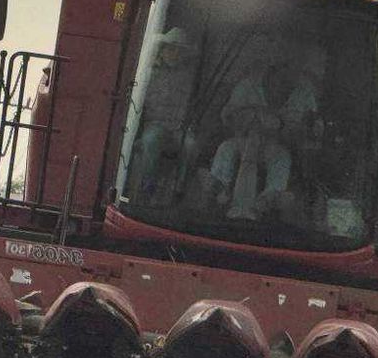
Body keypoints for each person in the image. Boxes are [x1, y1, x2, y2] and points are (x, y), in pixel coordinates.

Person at [209, 61, 317, 220]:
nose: (280, 88)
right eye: (277, 81)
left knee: (282, 159)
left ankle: (268, 198)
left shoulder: (305, 95)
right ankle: (219, 188)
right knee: (225, 149)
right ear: (267, 77)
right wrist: (248, 119)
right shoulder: (246, 87)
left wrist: (282, 128)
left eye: (287, 84)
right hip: (241, 140)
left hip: (276, 146)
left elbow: (309, 131)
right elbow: (226, 119)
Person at [130, 27, 199, 202]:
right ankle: (148, 187)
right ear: (163, 49)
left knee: (191, 145)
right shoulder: (148, 74)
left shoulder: (188, 78)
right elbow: (138, 106)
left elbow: (190, 106)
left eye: (179, 50)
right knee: (150, 141)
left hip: (178, 128)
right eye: (171, 48)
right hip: (155, 125)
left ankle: (179, 189)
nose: (175, 53)